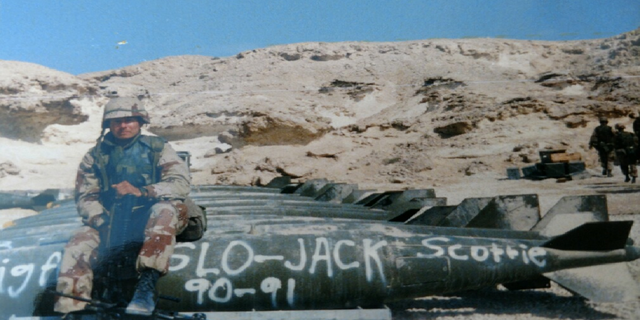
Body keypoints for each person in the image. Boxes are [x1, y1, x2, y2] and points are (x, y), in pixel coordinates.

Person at [54, 96, 191, 316]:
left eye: (129, 119)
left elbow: (180, 184)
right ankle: (72, 309)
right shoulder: (94, 156)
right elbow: (85, 197)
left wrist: (144, 192)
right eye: (116, 121)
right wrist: (101, 220)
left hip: (154, 217)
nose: (123, 125)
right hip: (112, 220)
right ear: (108, 124)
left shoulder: (158, 148)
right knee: (79, 241)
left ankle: (146, 286)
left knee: (164, 210)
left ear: (140, 121)